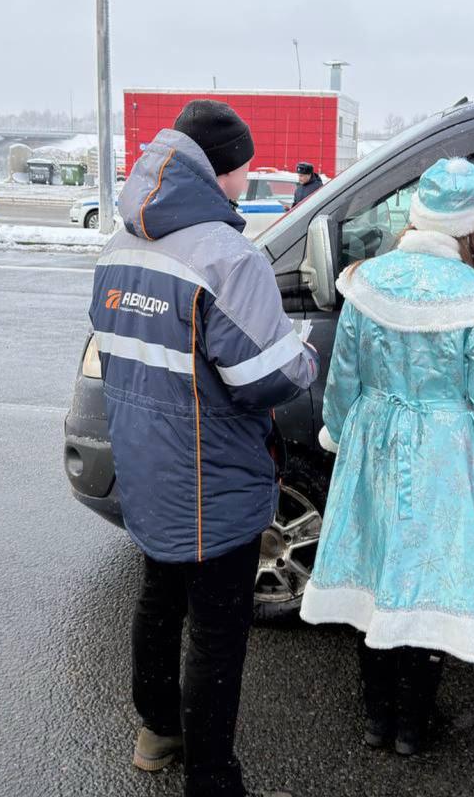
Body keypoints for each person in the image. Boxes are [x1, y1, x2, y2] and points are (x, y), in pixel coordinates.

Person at [88, 99, 319, 797]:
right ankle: (213, 778)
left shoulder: (120, 245)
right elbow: (265, 378)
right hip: (212, 473)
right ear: (225, 170)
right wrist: (301, 354)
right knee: (217, 633)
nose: (250, 178)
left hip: (146, 464)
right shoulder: (225, 255)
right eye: (246, 166)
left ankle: (157, 732)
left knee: (159, 600)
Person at [300, 157, 474, 757]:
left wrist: (339, 433)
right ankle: (413, 726)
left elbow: (342, 377)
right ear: (470, 226)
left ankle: (377, 718)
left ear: (416, 216)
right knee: (429, 572)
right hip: (446, 447)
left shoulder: (367, 281)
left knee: (376, 567)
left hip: (375, 434)